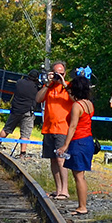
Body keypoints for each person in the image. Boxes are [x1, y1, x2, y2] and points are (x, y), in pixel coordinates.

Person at [56, 75, 97, 216]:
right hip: (88, 141)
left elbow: (72, 126)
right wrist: (64, 85)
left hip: (78, 141)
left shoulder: (76, 106)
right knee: (81, 175)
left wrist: (65, 145)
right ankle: (82, 204)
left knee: (78, 176)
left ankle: (82, 206)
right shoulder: (88, 104)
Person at [36, 61, 74, 199]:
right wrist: (47, 83)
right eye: (56, 73)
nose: (59, 76)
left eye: (61, 74)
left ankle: (65, 190)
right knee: (53, 160)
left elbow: (75, 99)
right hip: (49, 128)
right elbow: (38, 99)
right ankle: (58, 189)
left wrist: (64, 83)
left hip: (63, 128)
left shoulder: (69, 86)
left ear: (65, 73)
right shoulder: (49, 87)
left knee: (61, 159)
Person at [0, 70, 40, 157]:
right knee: (25, 133)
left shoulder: (19, 82)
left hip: (16, 109)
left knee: (7, 128)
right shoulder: (36, 87)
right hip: (28, 111)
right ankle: (22, 153)